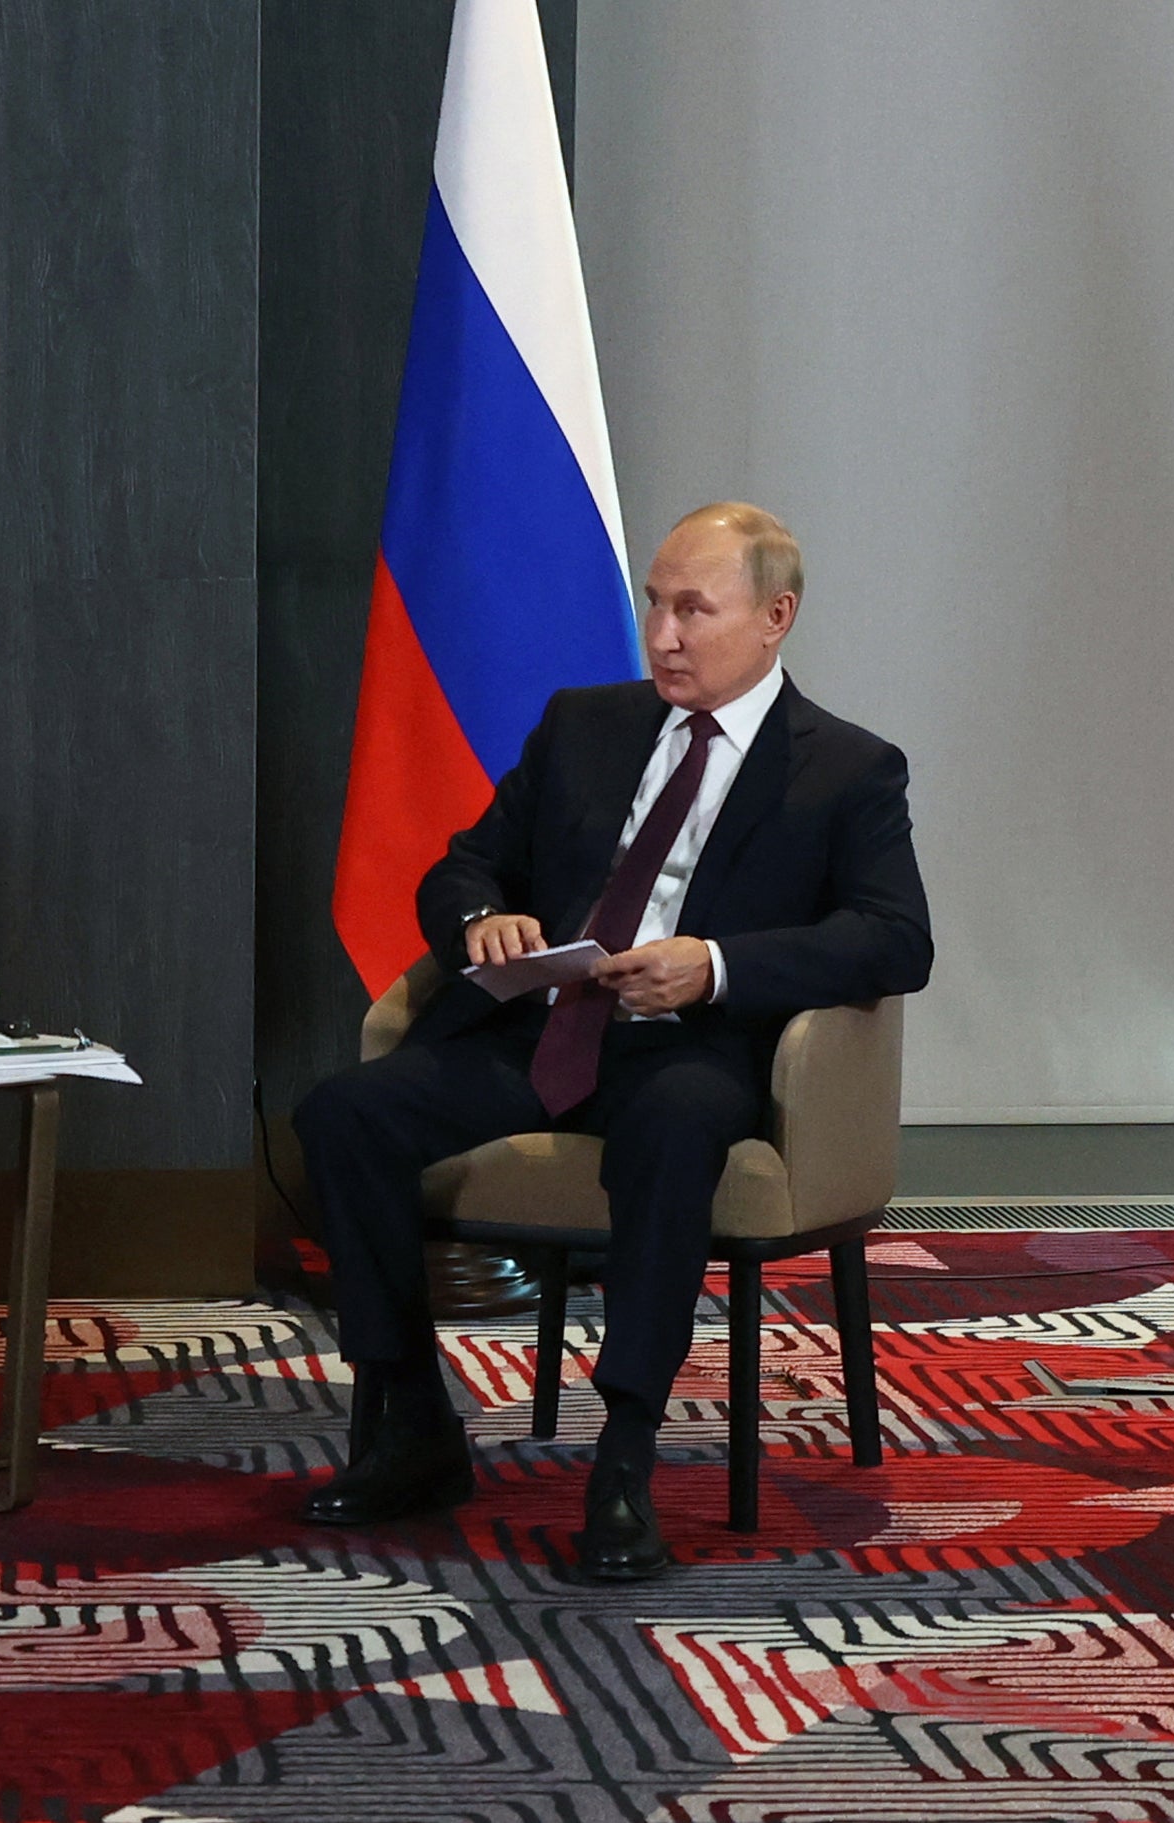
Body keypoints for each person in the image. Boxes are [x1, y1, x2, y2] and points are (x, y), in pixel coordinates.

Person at [293, 502, 930, 1581]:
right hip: (537, 1031)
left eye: (695, 609)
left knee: (675, 1132)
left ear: (777, 617)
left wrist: (716, 963)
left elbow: (894, 937)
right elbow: (462, 864)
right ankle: (411, 1419)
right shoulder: (582, 724)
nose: (664, 635)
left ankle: (625, 1454)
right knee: (340, 1112)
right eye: (655, 604)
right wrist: (477, 921)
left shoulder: (848, 769)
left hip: (690, 1049)